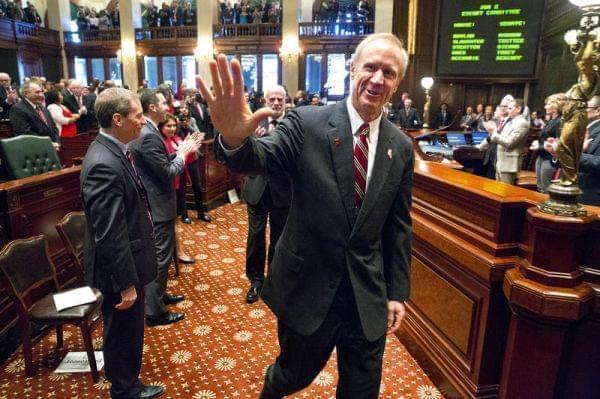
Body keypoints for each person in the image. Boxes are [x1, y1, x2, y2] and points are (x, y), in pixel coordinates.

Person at [199, 32, 413, 398]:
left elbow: (398, 226)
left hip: (366, 293)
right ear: (353, 68)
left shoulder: (401, 147)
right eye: (371, 67)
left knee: (362, 390)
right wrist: (234, 139)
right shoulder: (307, 123)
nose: (378, 79)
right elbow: (259, 158)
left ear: (397, 83)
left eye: (389, 73)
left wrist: (397, 292)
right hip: (309, 287)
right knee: (292, 376)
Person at [81, 88, 163, 399]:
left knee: (128, 329)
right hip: (119, 270)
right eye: (138, 115)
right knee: (121, 331)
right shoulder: (104, 162)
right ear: (117, 119)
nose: (143, 121)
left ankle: (128, 382)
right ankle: (125, 389)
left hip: (129, 260)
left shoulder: (116, 149)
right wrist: (127, 282)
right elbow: (110, 232)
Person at [128, 89, 202, 327]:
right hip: (157, 205)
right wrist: (182, 154)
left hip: (157, 203)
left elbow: (159, 163)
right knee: (160, 258)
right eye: (162, 103)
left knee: (163, 256)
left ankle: (158, 297)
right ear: (152, 107)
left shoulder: (149, 131)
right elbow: (167, 172)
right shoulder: (148, 134)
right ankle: (154, 311)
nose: (167, 107)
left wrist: (180, 152)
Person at [242, 85, 291, 304]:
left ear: (286, 100)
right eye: (272, 99)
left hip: (283, 190)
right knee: (256, 236)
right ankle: (255, 281)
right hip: (257, 188)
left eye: (280, 99)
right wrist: (252, 140)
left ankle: (275, 278)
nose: (276, 103)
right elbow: (242, 153)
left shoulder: (293, 124)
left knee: (279, 238)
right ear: (264, 100)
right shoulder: (253, 122)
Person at [480, 98, 530, 184]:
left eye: (510, 108)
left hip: (509, 164)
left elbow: (509, 143)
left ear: (518, 109)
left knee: (506, 192)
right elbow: (501, 138)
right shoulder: (511, 122)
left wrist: (494, 133)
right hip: (501, 162)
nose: (507, 110)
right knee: (498, 191)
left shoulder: (522, 123)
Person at [534, 94, 565, 193]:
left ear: (556, 106)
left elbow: (557, 143)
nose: (545, 107)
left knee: (546, 190)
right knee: (540, 187)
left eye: (548, 104)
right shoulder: (551, 120)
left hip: (549, 159)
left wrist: (538, 147)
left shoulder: (560, 121)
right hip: (541, 156)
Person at [579, 96, 600, 205]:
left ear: (597, 111)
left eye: (585, 106)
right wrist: (557, 154)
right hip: (579, 189)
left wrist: (574, 155)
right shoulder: (586, 128)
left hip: (592, 194)